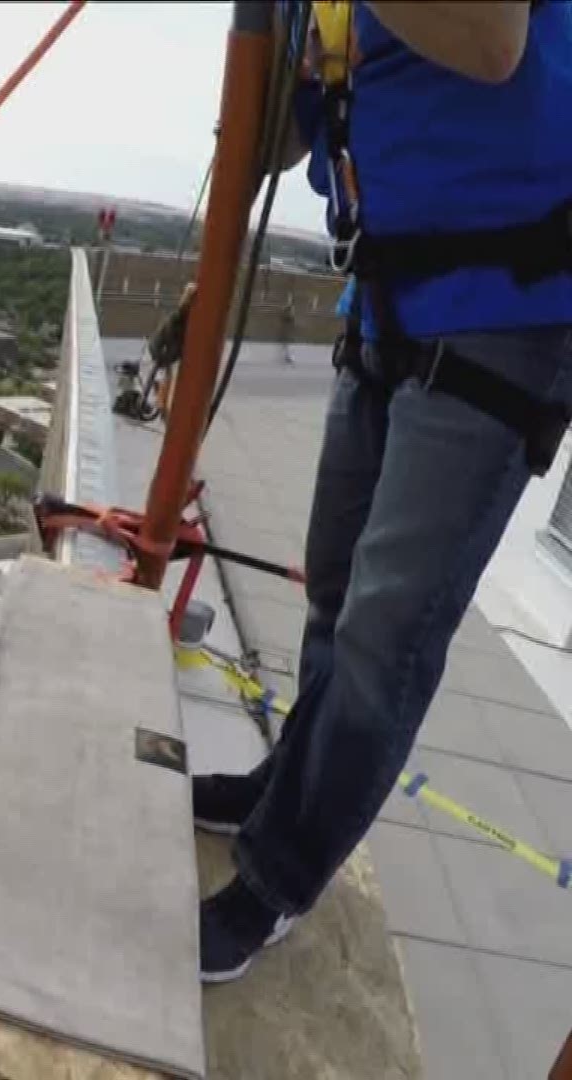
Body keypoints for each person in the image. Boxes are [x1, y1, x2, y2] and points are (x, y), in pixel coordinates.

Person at [192, 1, 572, 982]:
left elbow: (493, 44)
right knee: (335, 588)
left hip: (512, 303)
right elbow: (278, 136)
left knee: (384, 631)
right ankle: (292, 787)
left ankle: (277, 879)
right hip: (392, 289)